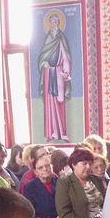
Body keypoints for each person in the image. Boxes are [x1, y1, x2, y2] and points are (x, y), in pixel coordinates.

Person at [38, 13, 72, 142]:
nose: (54, 24)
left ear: (58, 23)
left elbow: (65, 56)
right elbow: (43, 56)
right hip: (48, 73)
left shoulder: (61, 37)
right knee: (50, 103)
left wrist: (66, 72)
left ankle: (62, 133)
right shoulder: (48, 38)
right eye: (52, 22)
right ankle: (52, 133)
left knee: (59, 102)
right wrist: (44, 63)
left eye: (56, 22)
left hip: (58, 73)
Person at [23, 153, 58, 218]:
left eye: (47, 165)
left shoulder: (60, 182)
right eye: (40, 168)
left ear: (52, 167)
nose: (45, 169)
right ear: (35, 172)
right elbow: (29, 212)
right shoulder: (30, 187)